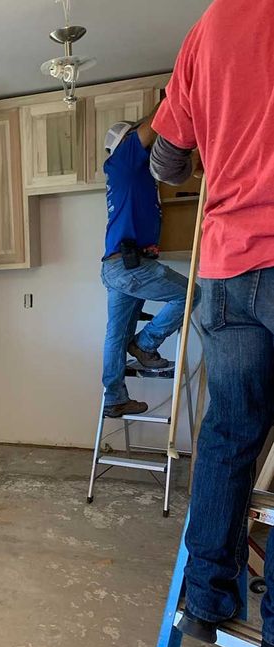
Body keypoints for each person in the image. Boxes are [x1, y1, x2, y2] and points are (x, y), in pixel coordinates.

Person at [150, 0, 274, 647]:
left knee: (227, 434)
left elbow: (167, 163)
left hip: (227, 264)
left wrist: (215, 156)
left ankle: (205, 600)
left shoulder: (209, 26)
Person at [101, 107, 201, 418]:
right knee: (191, 294)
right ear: (128, 141)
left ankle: (114, 398)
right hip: (128, 266)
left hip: (120, 266)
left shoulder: (137, 173)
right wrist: (176, 97)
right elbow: (156, 126)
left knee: (116, 336)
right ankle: (145, 344)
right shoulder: (123, 159)